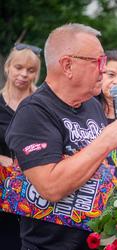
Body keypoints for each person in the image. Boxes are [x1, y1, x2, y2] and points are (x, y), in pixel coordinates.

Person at [5, 23, 117, 250]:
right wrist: (106, 140)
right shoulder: (34, 112)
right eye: (99, 62)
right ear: (67, 65)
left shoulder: (92, 106)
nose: (103, 70)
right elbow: (51, 186)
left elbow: (103, 170)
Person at [0, 43, 41, 250]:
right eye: (19, 68)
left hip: (34, 188)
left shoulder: (40, 104)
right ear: (8, 67)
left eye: (31, 70)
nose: (24, 74)